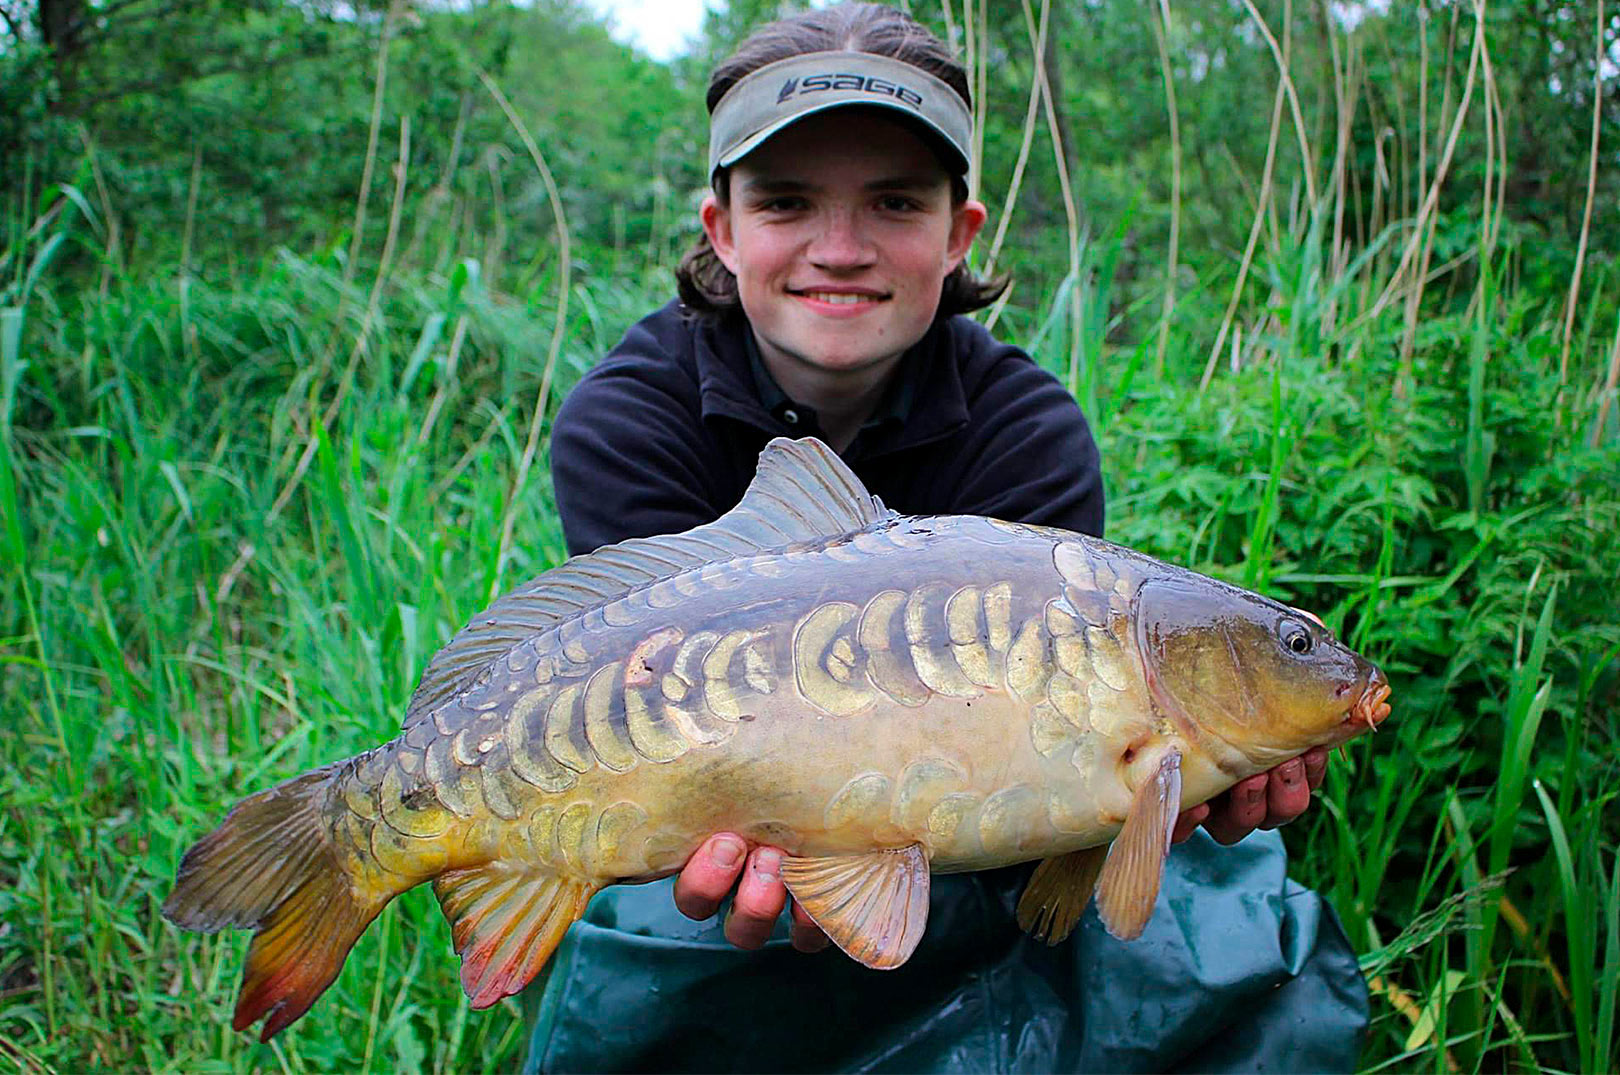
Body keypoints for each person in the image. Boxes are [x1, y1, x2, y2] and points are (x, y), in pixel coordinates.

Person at [530, 4, 1367, 1071]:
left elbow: (1050, 767)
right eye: (788, 202)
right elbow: (646, 713)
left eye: (893, 202)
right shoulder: (627, 420)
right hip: (719, 830)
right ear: (722, 228)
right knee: (664, 912)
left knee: (1208, 920)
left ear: (959, 231)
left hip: (984, 839)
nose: (841, 248)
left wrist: (1172, 788)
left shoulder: (1031, 430)